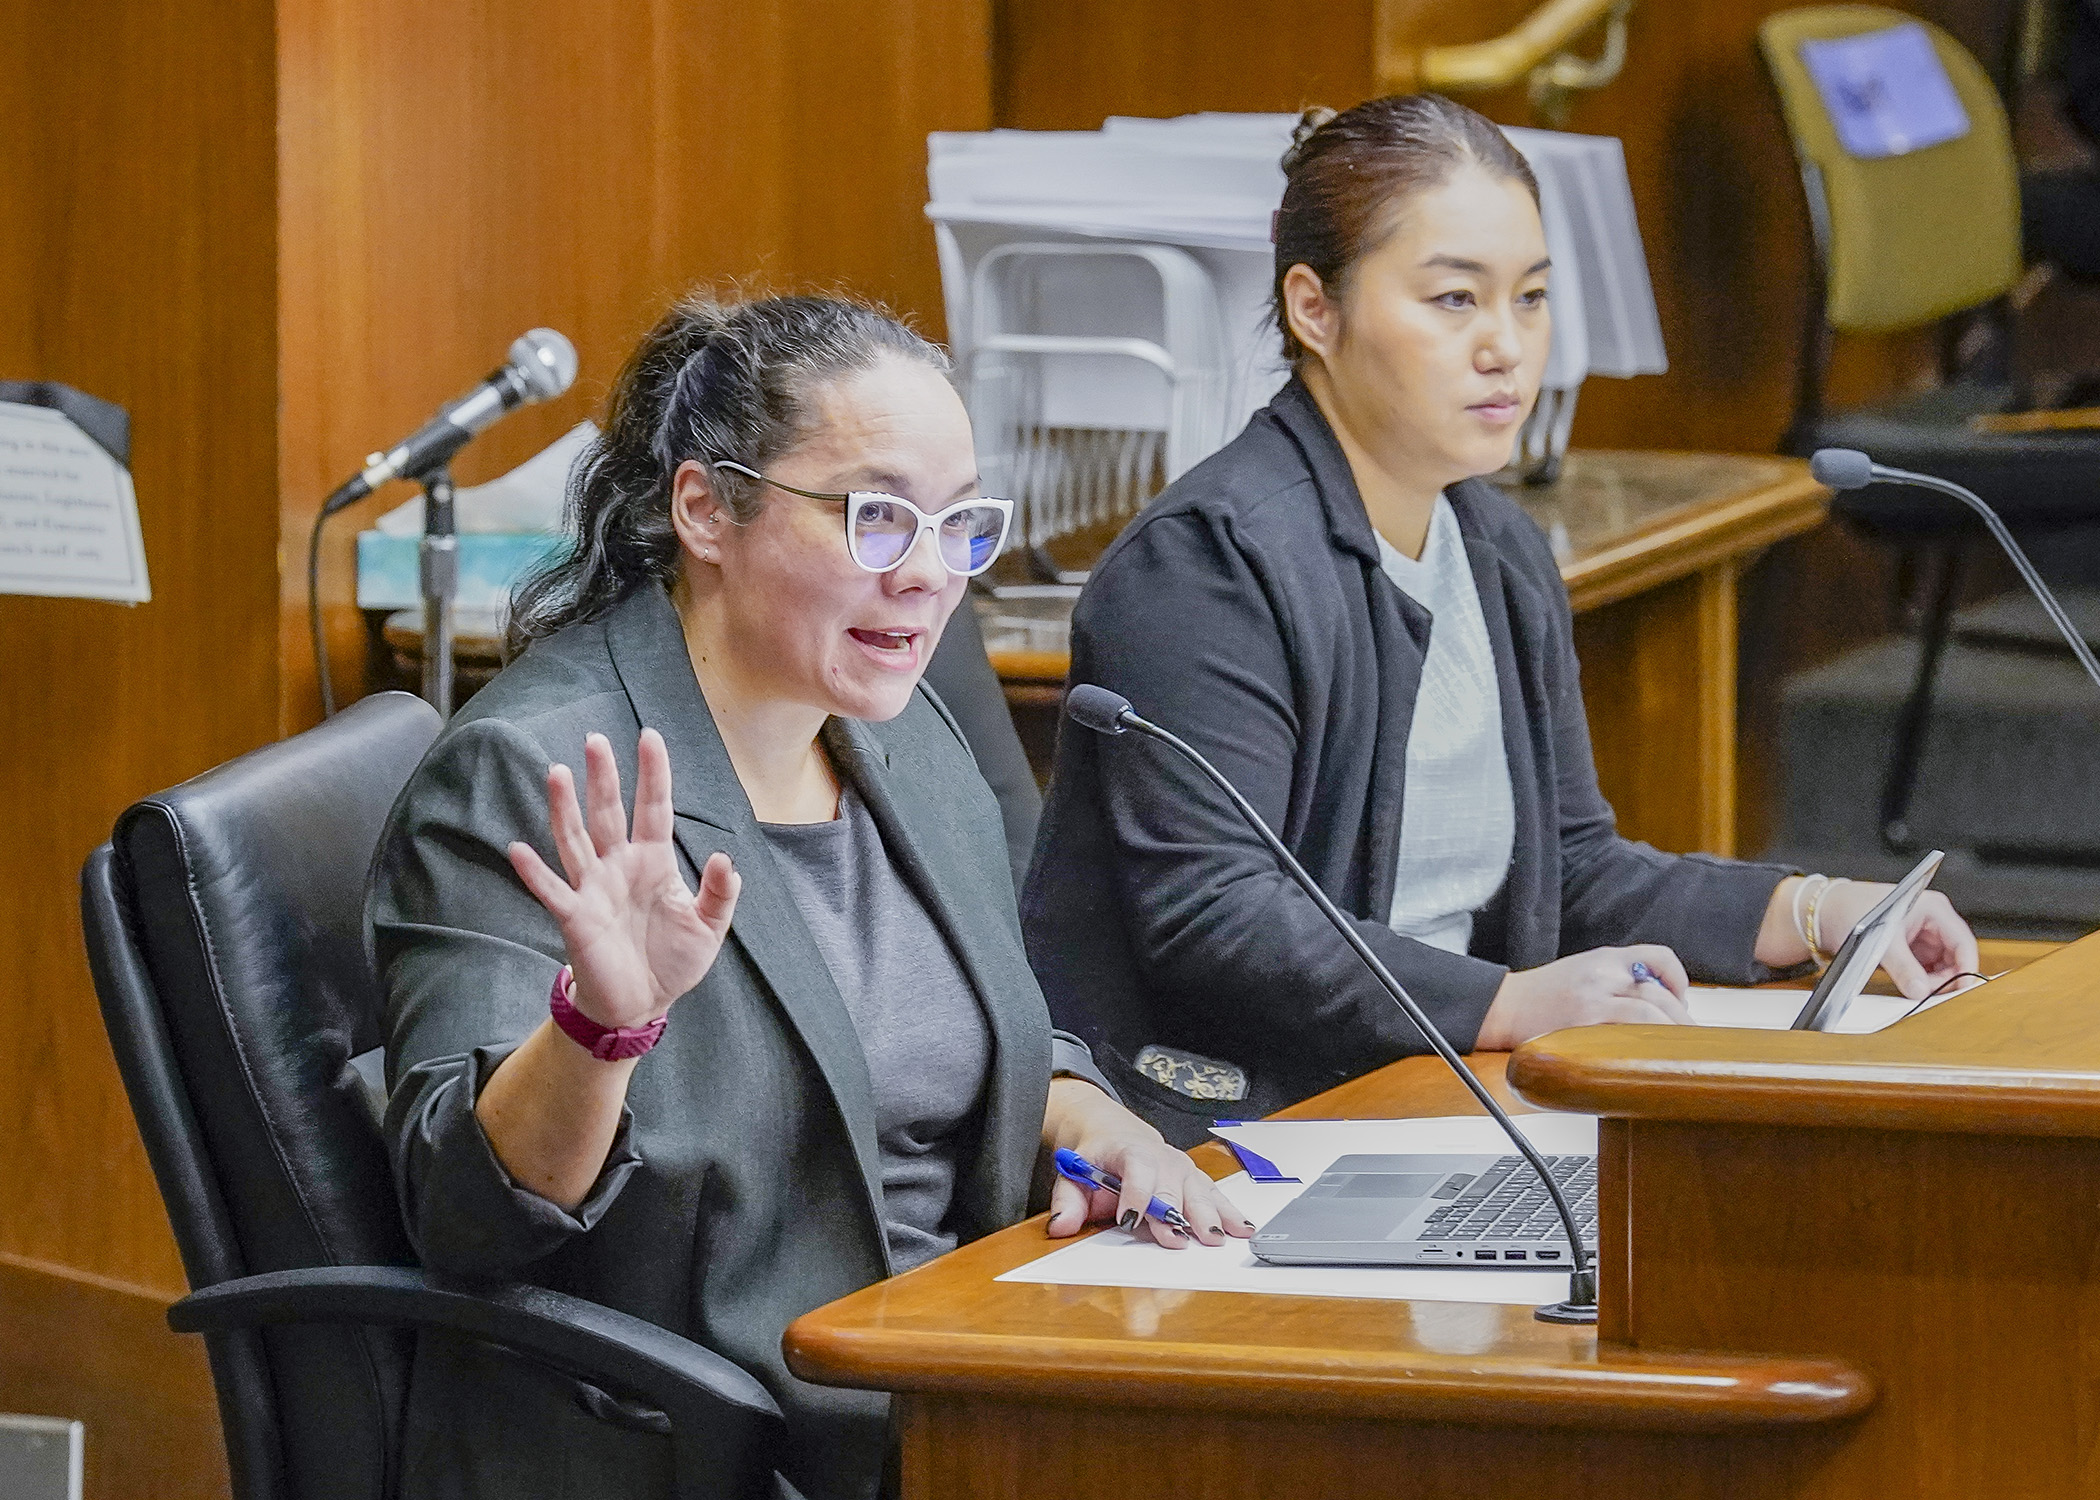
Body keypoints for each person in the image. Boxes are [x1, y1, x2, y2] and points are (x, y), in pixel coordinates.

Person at [368, 292, 1248, 1500]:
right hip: (721, 1444)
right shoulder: (537, 776)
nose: (932, 576)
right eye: (877, 520)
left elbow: (972, 1031)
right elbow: (466, 1220)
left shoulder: (901, 733)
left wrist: (1096, 1120)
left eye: (961, 525)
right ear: (705, 508)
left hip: (956, 1379)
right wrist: (597, 1029)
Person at [1021, 95, 1980, 1144]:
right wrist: (1509, 1005)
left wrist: (1819, 911)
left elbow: (1572, 870)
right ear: (1314, 309)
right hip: (1227, 1126)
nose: (1505, 348)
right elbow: (1217, 917)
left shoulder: (1498, 548)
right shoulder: (1208, 562)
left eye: (1530, 300)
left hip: (1444, 1088)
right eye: (1453, 301)